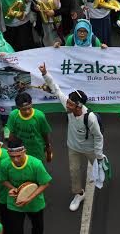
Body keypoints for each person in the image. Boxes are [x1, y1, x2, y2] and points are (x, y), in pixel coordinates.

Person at [39, 64, 102, 212]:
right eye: (67, 102)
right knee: (74, 171)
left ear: (79, 106)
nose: (66, 105)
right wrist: (45, 74)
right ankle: (79, 194)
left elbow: (98, 137)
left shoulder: (91, 118)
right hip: (73, 147)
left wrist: (99, 154)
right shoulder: (68, 105)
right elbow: (55, 88)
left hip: (90, 148)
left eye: (70, 104)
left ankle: (100, 170)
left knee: (99, 168)